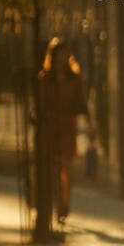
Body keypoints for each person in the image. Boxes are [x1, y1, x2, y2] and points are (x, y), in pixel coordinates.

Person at [38, 37, 95, 225]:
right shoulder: (45, 78)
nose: (62, 58)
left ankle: (64, 204)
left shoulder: (75, 78)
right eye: (58, 54)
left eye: (64, 54)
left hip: (68, 126)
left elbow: (82, 103)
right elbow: (41, 104)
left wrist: (90, 125)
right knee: (54, 168)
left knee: (66, 167)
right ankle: (57, 203)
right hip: (51, 126)